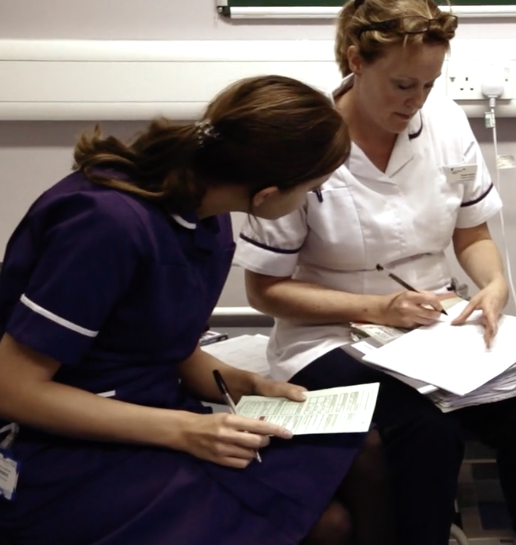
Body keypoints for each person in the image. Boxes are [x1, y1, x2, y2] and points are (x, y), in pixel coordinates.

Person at [233, 0, 516, 543]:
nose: (416, 101)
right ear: (356, 61)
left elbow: (472, 235)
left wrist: (494, 284)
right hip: (328, 337)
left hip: (434, 327)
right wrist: (376, 309)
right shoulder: (305, 140)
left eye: (429, 85)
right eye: (402, 85)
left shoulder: (445, 122)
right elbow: (265, 289)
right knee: (425, 430)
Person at [0, 75, 394, 545]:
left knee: (362, 448)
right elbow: (14, 390)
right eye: (312, 189)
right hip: (65, 446)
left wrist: (249, 385)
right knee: (328, 525)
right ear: (267, 194)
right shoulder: (105, 225)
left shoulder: (205, 216)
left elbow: (169, 346)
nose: (309, 199)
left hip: (155, 416)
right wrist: (187, 430)